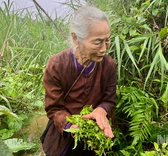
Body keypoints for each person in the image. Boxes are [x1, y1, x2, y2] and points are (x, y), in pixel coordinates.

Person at [41, 5, 117, 156]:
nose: (104, 49)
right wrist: (71, 126)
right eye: (97, 42)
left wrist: (101, 111)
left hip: (96, 133)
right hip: (64, 136)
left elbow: (109, 99)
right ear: (76, 38)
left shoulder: (109, 66)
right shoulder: (56, 65)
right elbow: (54, 109)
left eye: (107, 41)